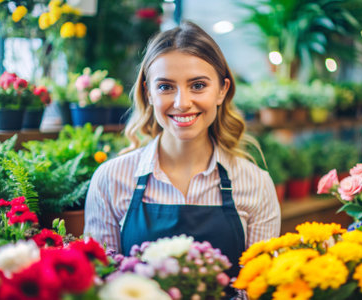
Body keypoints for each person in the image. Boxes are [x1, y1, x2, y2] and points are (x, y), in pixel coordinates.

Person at [84, 21, 281, 287]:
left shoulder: (255, 184)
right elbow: (101, 284)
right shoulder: (111, 179)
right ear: (148, 92)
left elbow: (260, 290)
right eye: (165, 87)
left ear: (222, 90)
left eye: (198, 85)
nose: (182, 103)